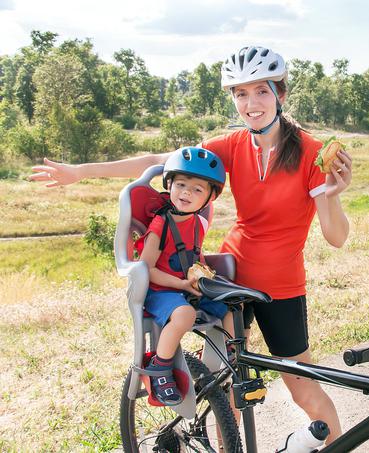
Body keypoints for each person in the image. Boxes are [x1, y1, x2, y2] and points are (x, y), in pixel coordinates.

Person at [30, 45, 351, 442]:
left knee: (304, 390)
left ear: (280, 94)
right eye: (240, 94)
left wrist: (333, 194)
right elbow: (160, 160)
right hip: (226, 279)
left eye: (261, 91)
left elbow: (337, 238)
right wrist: (81, 172)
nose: (251, 104)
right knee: (223, 389)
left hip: (283, 287)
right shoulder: (232, 145)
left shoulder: (312, 153)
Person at [138, 146, 228, 406]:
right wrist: (181, 284)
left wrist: (202, 282)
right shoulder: (161, 224)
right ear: (169, 185)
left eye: (197, 189)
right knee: (184, 314)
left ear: (209, 198)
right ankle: (160, 367)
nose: (186, 192)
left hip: (185, 287)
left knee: (231, 304)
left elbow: (195, 257)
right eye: (180, 184)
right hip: (159, 290)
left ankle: (228, 354)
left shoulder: (198, 224)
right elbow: (147, 268)